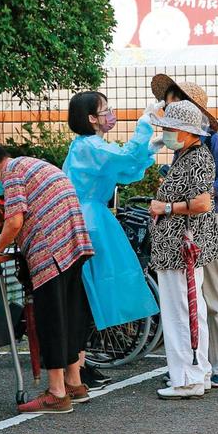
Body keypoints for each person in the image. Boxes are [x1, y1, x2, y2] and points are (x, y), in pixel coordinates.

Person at [0, 144, 94, 413]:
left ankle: (57, 393)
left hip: (50, 251)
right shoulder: (30, 164)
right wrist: (0, 239)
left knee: (51, 319)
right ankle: (74, 383)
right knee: (70, 313)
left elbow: (15, 221)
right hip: (73, 242)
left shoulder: (11, 172)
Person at [153, 75, 218, 388]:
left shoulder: (211, 142)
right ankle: (199, 363)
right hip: (190, 227)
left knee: (214, 295)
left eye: (176, 102)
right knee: (195, 299)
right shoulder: (182, 146)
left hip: (206, 225)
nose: (169, 108)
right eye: (169, 102)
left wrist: (180, 201)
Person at [63, 91, 161, 334]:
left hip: (92, 216)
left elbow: (124, 169)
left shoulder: (91, 146)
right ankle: (81, 358)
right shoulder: (89, 146)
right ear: (92, 118)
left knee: (98, 281)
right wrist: (144, 124)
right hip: (89, 219)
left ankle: (85, 356)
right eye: (105, 110)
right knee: (93, 284)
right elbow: (125, 158)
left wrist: (148, 150)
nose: (111, 114)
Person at [146, 101, 218, 399]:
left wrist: (165, 207)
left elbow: (203, 203)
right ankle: (197, 372)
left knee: (181, 311)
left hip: (181, 249)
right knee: (190, 309)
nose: (165, 133)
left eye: (169, 129)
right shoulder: (189, 156)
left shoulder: (196, 159)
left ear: (187, 132)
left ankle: (187, 379)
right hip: (179, 248)